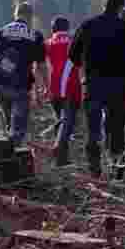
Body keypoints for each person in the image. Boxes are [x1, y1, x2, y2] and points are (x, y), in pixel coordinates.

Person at [69, 0, 125, 177]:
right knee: (116, 128)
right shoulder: (124, 28)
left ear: (103, 4)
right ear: (121, 6)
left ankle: (94, 165)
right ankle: (117, 166)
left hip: (93, 83)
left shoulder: (88, 25)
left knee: (93, 127)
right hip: (118, 85)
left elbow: (72, 54)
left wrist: (84, 67)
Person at [0, 2, 47, 145]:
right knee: (17, 132)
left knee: (10, 126)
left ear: (15, 15)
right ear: (30, 17)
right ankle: (13, 159)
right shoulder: (35, 36)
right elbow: (41, 66)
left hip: (2, 87)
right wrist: (47, 87)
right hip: (21, 87)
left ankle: (5, 159)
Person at [45, 16, 82, 166]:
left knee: (62, 122)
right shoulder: (74, 41)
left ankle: (62, 160)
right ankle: (59, 148)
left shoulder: (47, 43)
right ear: (67, 28)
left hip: (54, 88)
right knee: (68, 122)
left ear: (53, 29)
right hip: (72, 86)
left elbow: (41, 65)